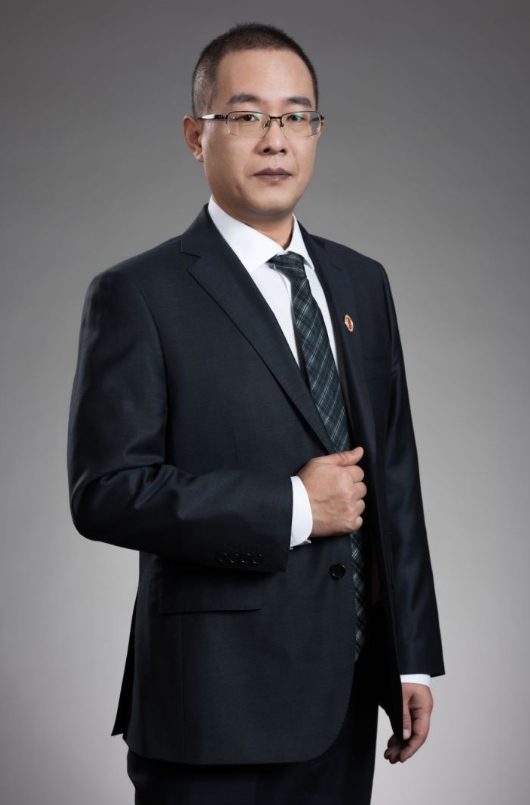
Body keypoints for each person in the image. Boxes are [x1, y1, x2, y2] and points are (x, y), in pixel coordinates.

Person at [67, 22, 444, 805]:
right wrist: (295, 506)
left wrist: (411, 655)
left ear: (316, 131)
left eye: (296, 115)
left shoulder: (362, 282)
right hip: (213, 707)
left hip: (345, 700)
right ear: (195, 135)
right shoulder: (139, 294)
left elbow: (395, 477)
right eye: (246, 116)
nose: (276, 138)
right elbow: (105, 491)